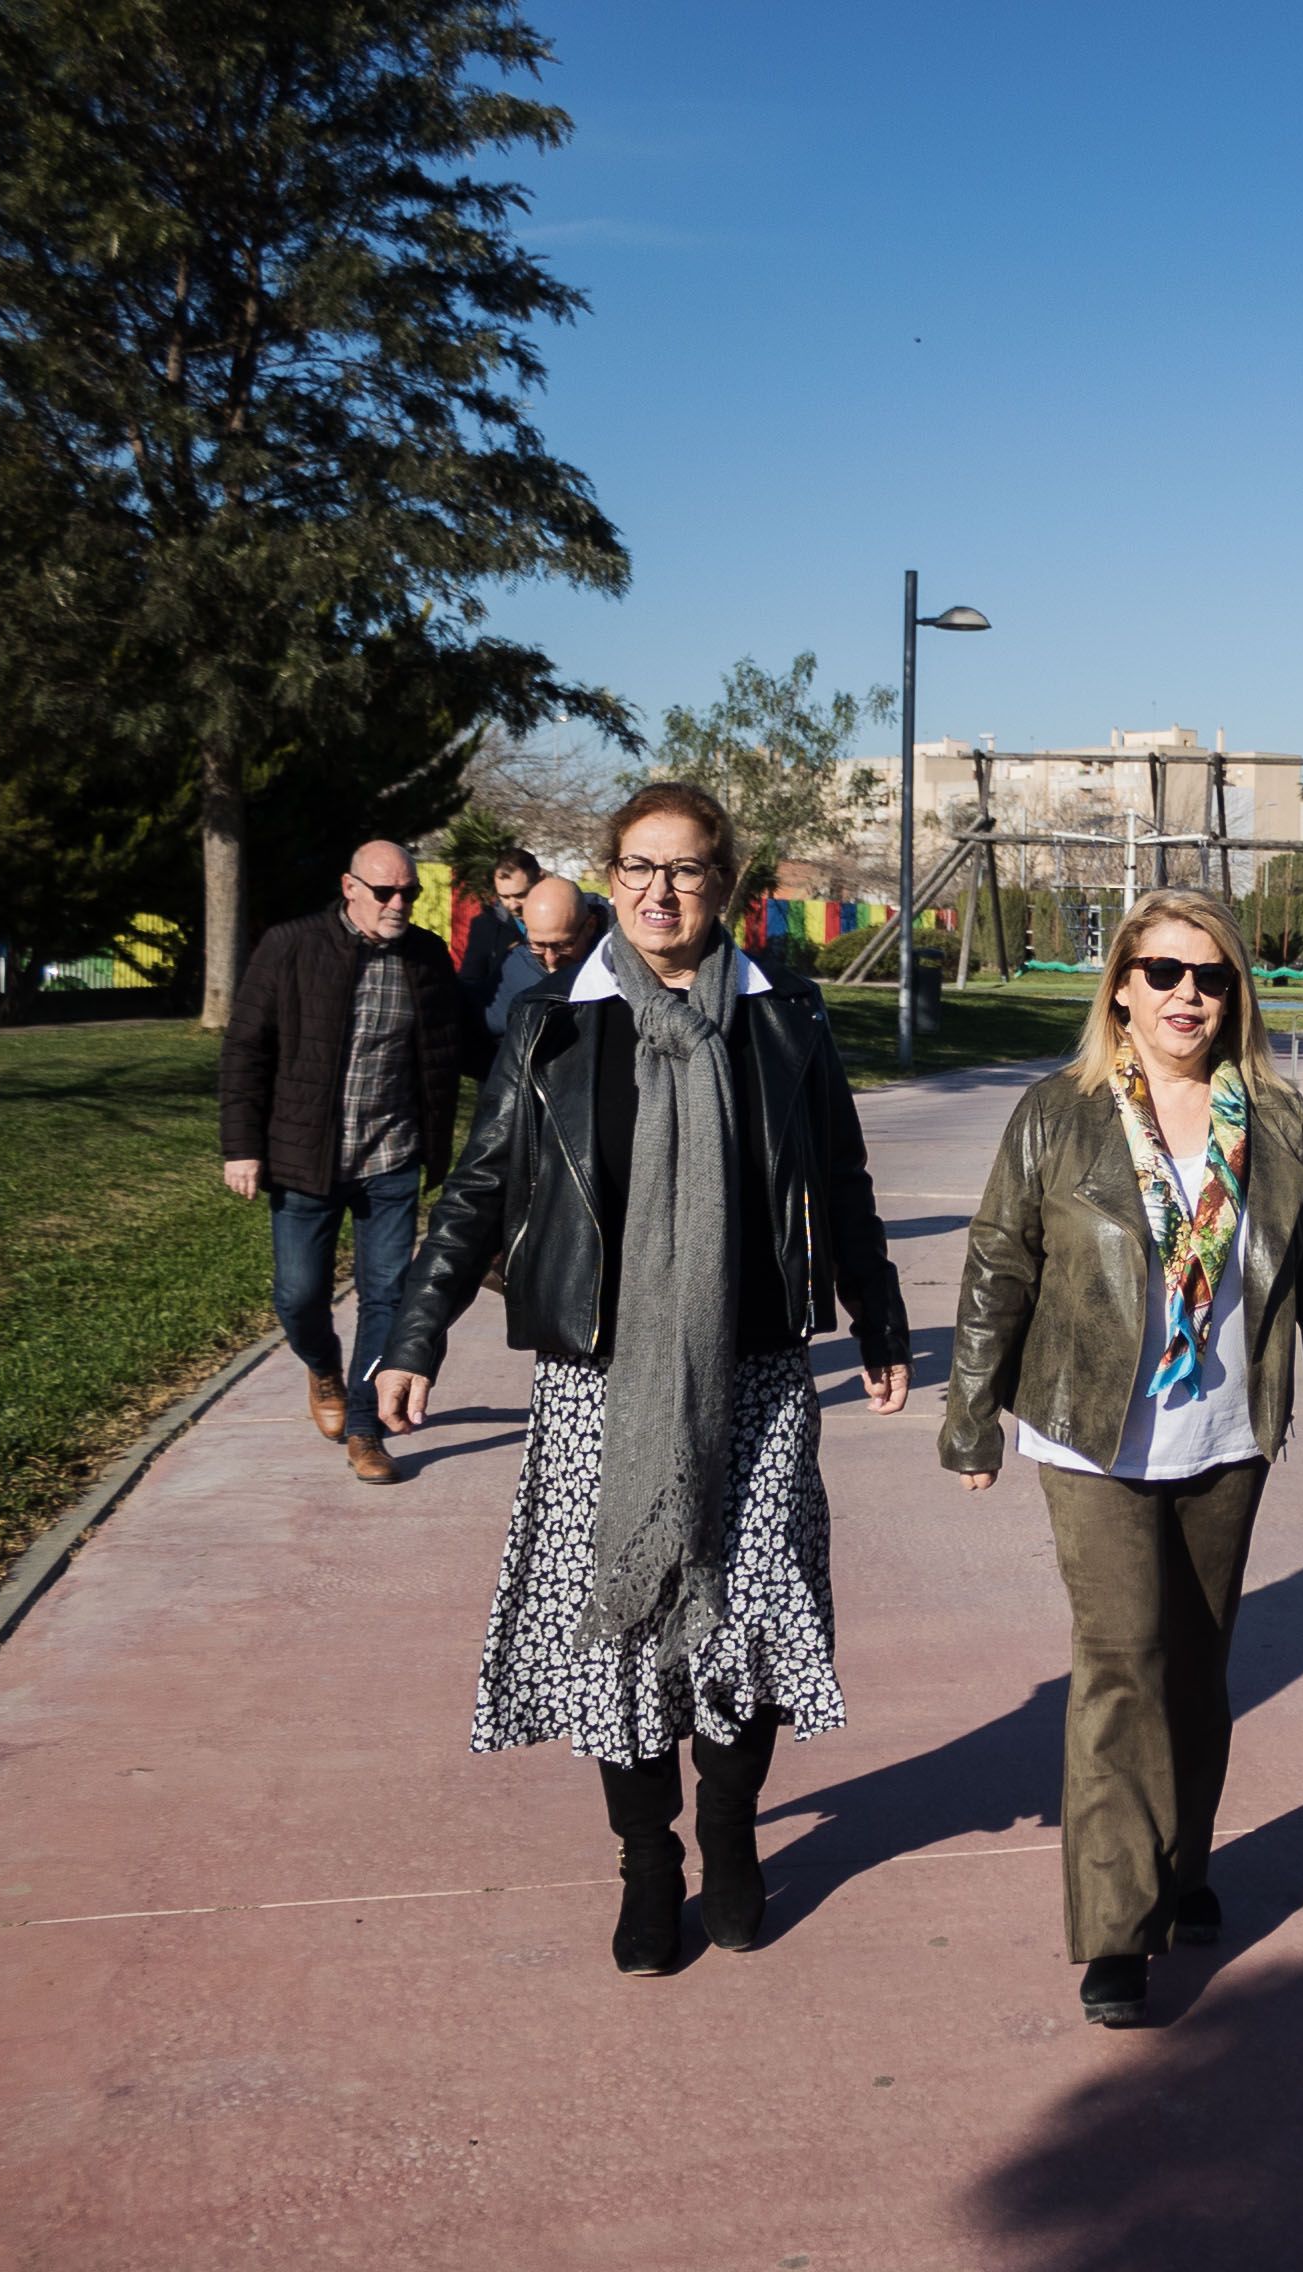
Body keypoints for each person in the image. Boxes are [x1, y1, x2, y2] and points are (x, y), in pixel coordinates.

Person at [370, 783, 911, 1978]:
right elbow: (479, 1188)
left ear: (726, 886)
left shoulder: (786, 1016)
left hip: (759, 1372)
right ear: (612, 876)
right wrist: (416, 1334)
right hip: (598, 1375)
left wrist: (877, 1311)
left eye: (686, 871)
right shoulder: (556, 1020)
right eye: (637, 868)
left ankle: (727, 1827)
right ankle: (643, 1859)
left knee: (753, 1609)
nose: (660, 892)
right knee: (616, 1620)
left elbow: (842, 1176)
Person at [938, 887, 1303, 2028]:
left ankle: (1180, 1865)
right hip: (1093, 1430)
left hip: (1228, 1429)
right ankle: (1115, 1927)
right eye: (1167, 973)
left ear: (1236, 994)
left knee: (1197, 1666)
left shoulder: (1274, 1119)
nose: (1191, 994)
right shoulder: (1058, 1111)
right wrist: (971, 1408)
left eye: (1214, 976)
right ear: (1122, 988)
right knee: (1122, 1660)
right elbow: (1000, 1261)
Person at [218, 838, 468, 1486]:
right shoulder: (291, 946)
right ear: (349, 887)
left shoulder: (425, 957)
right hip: (306, 1158)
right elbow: (247, 1049)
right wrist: (242, 1145)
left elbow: (457, 1045)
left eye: (408, 893)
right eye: (386, 892)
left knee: (386, 1295)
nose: (399, 904)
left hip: (390, 1157)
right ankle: (322, 1366)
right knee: (299, 1297)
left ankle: (365, 1427)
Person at [455, 850, 540, 1075]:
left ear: (539, 881)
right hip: (499, 1056)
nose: (512, 905)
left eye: (520, 895)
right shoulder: (485, 926)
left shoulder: (566, 919)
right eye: (504, 896)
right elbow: (470, 982)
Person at [488, 873, 604, 1036]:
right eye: (538, 945)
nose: (551, 960)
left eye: (562, 945)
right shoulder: (515, 965)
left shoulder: (616, 965)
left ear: (590, 926)